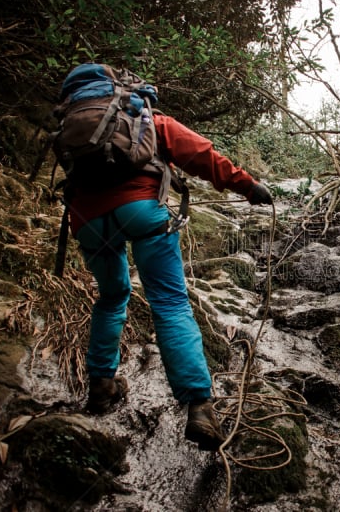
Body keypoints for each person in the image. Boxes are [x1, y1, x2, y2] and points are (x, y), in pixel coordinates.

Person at [67, 108, 273, 451]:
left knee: (112, 295)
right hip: (142, 212)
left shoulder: (78, 125)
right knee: (171, 303)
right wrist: (248, 185)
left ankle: (101, 384)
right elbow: (200, 155)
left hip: (87, 220)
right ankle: (200, 408)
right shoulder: (143, 117)